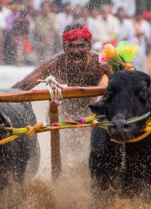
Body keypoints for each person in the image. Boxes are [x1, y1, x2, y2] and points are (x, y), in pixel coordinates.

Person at [13, 24, 112, 170]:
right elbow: (25, 85)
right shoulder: (56, 63)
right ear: (64, 47)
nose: (76, 51)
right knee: (67, 161)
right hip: (61, 116)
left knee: (88, 159)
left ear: (89, 45)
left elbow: (121, 82)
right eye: (71, 46)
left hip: (90, 116)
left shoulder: (100, 63)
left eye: (81, 46)